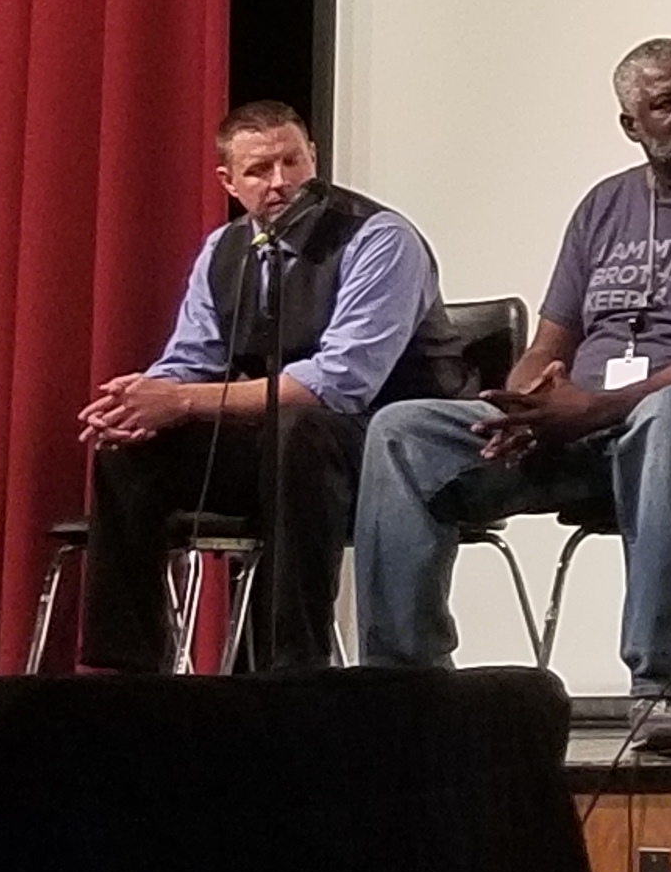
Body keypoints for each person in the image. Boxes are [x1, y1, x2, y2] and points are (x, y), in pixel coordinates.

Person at [355, 40, 671, 752]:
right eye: (666, 103)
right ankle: (404, 689)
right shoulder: (604, 206)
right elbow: (550, 346)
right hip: (593, 427)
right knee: (403, 430)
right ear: (632, 126)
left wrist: (595, 408)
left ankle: (661, 692)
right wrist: (528, 407)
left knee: (669, 415)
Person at [74, 101, 448, 674]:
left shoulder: (379, 239)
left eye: (292, 162)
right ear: (228, 182)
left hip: (375, 447)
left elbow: (340, 383)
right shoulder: (223, 251)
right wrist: (139, 401)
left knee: (298, 430)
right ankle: (125, 673)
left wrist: (179, 401)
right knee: (129, 449)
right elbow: (190, 361)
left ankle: (288, 669)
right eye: (259, 170)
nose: (281, 183)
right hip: (276, 443)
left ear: (313, 158)